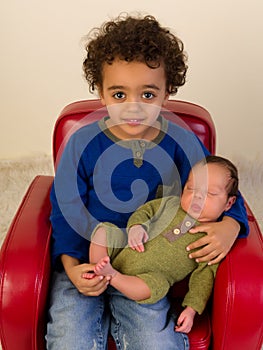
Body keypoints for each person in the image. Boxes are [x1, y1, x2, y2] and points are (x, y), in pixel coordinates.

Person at [46, 13, 249, 350]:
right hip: (87, 261)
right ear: (100, 91)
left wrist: (232, 226)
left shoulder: (180, 142)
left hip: (147, 268)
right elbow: (65, 209)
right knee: (70, 336)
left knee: (154, 342)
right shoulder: (82, 144)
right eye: (120, 95)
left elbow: (224, 190)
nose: (133, 109)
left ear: (168, 92)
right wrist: (71, 266)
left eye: (149, 95)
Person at [86, 155, 238, 334]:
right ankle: (96, 271)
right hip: (122, 251)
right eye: (191, 188)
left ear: (229, 203)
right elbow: (145, 211)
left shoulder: (211, 238)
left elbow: (204, 278)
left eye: (210, 193)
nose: (197, 196)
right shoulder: (170, 204)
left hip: (150, 277)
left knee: (155, 287)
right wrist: (136, 226)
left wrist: (191, 310)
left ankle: (112, 276)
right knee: (104, 231)